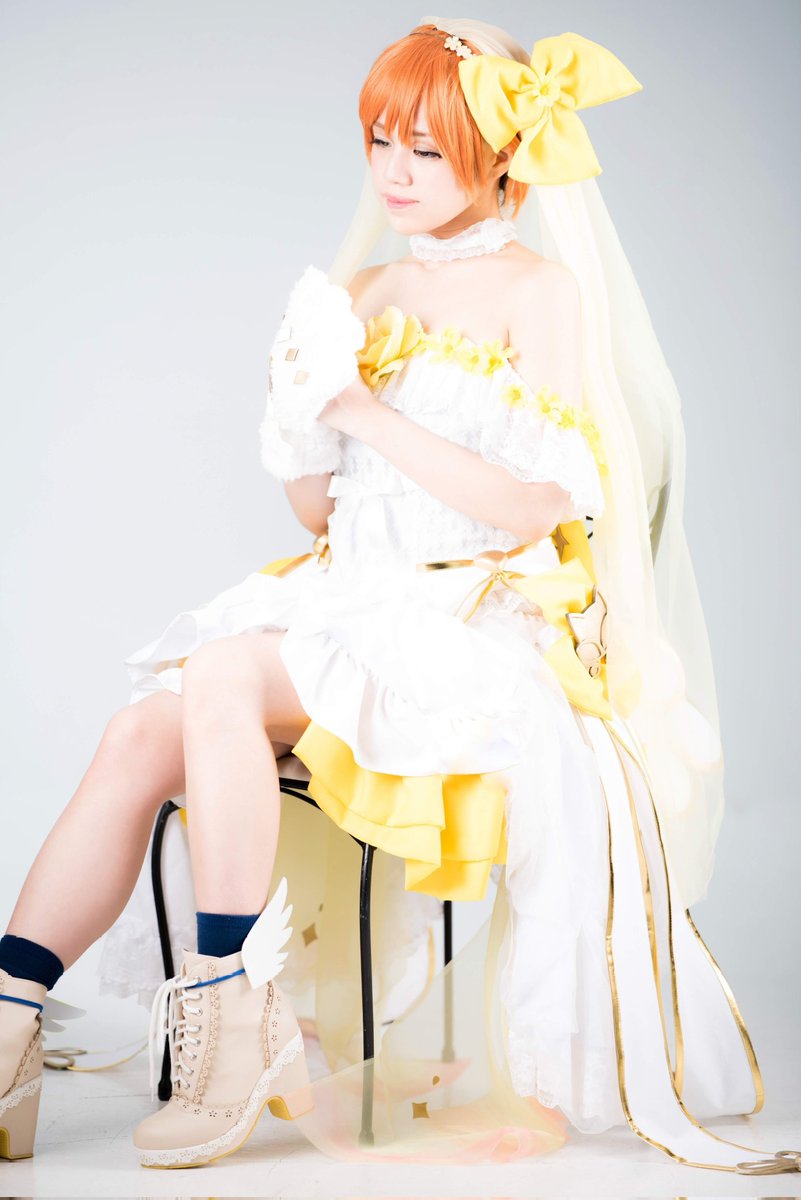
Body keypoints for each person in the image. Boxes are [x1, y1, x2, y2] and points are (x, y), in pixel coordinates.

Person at [1, 14, 798, 1178]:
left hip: (466, 627)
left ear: (502, 155)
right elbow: (322, 517)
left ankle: (232, 1016)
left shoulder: (541, 294)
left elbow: (533, 509)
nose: (395, 171)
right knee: (137, 733)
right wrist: (298, 421)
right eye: (381, 140)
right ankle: (9, 1029)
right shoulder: (367, 287)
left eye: (427, 147)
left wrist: (363, 411)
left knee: (221, 672)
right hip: (352, 602)